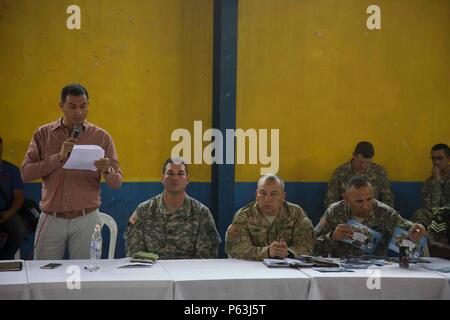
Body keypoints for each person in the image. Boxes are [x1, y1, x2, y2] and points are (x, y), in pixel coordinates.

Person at [21, 83, 122, 260]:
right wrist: (58, 157)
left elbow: (116, 183)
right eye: (72, 107)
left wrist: (108, 170)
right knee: (44, 276)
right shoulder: (43, 134)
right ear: (61, 106)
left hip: (86, 218)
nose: (78, 112)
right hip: (51, 218)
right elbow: (26, 174)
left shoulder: (101, 137)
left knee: (85, 277)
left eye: (83, 106)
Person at [124, 158, 221, 259]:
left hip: (189, 273)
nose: (175, 178)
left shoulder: (201, 213)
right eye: (170, 173)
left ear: (187, 179)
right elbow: (134, 252)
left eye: (180, 173)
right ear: (162, 178)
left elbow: (206, 257)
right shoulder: (143, 211)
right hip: (152, 273)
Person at [314, 176, 426, 257]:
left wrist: (419, 229)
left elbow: (411, 231)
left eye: (369, 199)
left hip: (375, 272)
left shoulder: (385, 213)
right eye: (359, 201)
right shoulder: (334, 212)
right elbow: (311, 246)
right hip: (341, 271)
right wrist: (332, 237)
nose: (365, 206)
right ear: (346, 198)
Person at [225, 174, 316, 261]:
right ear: (256, 195)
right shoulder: (243, 216)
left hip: (287, 270)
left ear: (283, 196)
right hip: (253, 270)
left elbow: (307, 245)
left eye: (274, 194)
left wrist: (288, 252)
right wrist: (267, 252)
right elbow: (236, 249)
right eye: (263, 193)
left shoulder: (296, 213)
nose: (267, 199)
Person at [324, 141, 394, 208]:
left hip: (373, 216)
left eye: (367, 163)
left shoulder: (379, 172)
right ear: (354, 155)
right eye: (360, 162)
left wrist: (380, 216)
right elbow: (330, 200)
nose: (363, 166)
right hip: (347, 216)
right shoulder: (341, 173)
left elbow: (388, 199)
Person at [411, 143, 450, 229]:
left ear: (448, 159)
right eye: (433, 158)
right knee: (420, 213)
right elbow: (432, 208)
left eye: (440, 158)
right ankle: (418, 240)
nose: (436, 162)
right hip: (437, 217)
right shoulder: (429, 182)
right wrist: (436, 182)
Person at [0, 136, 26, 259]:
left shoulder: (11, 170)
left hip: (6, 212)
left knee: (19, 229)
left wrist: (10, 213)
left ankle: (5, 259)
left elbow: (19, 195)